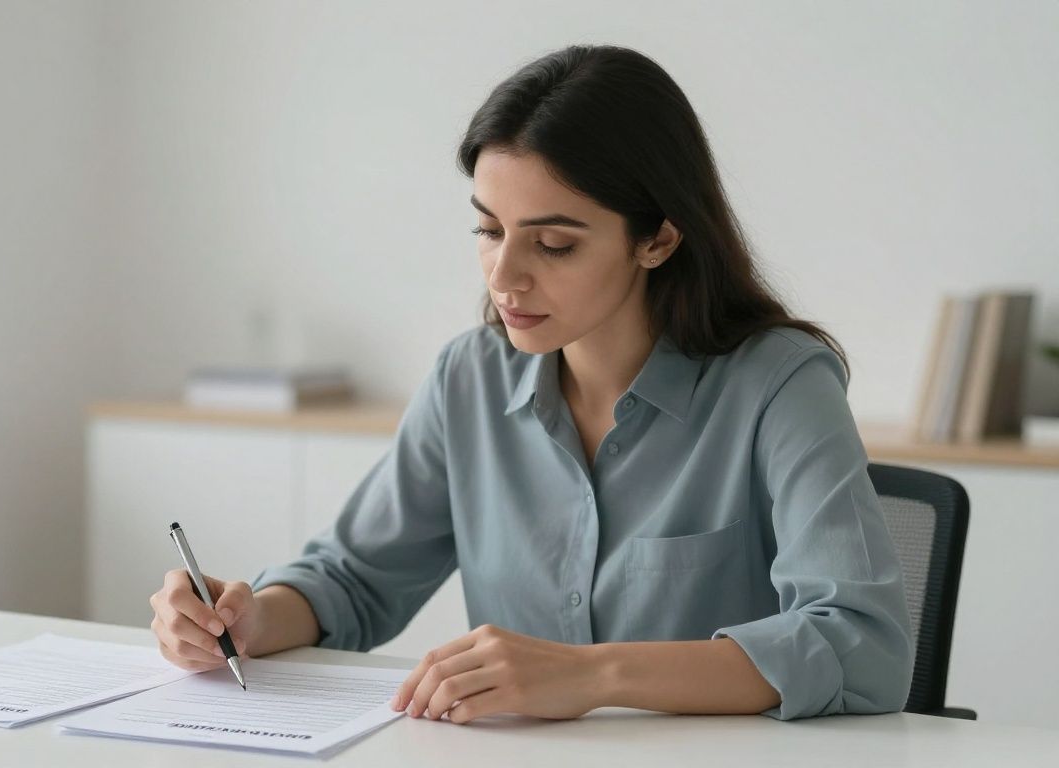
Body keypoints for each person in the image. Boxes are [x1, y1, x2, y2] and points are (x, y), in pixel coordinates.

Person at [148, 44, 913, 724]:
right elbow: (353, 579)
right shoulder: (469, 379)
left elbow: (860, 643)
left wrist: (592, 675)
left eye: (552, 243)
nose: (504, 276)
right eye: (488, 231)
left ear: (658, 238)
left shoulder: (779, 385)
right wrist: (245, 622)